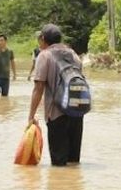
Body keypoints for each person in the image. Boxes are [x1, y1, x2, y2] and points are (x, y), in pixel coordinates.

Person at [28, 24, 84, 166]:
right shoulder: (73, 55)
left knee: (59, 165)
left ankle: (59, 188)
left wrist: (31, 116)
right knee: (73, 163)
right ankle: (73, 187)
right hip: (77, 112)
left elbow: (38, 88)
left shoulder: (45, 55)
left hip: (56, 114)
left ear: (43, 38)